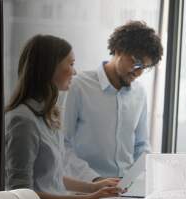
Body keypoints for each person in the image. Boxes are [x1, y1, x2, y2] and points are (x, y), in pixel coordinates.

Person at [5, 35, 123, 199]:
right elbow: (21, 196)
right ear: (50, 68)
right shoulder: (22, 120)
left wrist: (93, 187)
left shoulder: (49, 115)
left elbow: (52, 176)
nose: (74, 72)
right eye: (70, 64)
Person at [64, 21, 163, 181]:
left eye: (143, 67)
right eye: (136, 62)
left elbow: (142, 146)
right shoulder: (78, 86)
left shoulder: (139, 93)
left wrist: (130, 182)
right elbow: (62, 144)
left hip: (124, 193)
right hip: (84, 192)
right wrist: (95, 180)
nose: (138, 73)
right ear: (118, 49)